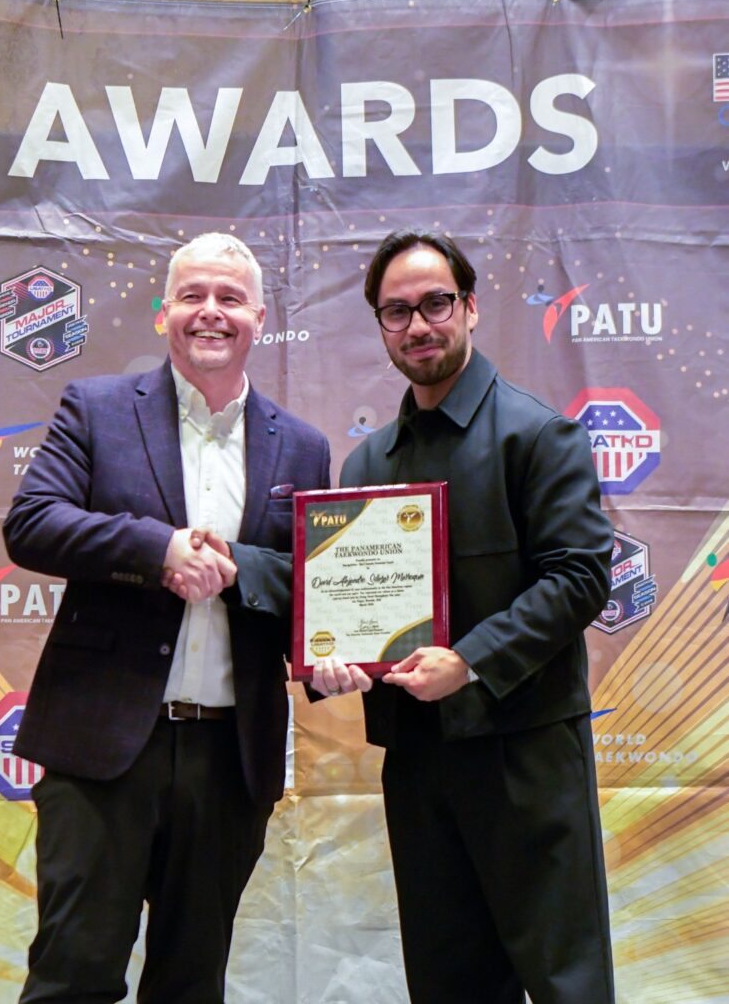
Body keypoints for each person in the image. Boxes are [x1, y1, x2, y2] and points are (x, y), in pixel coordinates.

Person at [4, 232, 330, 1004]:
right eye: (192, 295)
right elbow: (32, 523)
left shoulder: (302, 447)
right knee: (72, 978)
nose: (210, 311)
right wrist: (158, 549)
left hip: (230, 760)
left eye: (229, 298)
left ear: (258, 318)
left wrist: (329, 651)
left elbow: (306, 587)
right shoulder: (96, 408)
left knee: (191, 985)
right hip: (102, 748)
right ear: (164, 313)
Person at [311, 230, 615, 1004]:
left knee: (565, 980)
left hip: (526, 753)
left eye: (435, 304)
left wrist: (471, 659)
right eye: (397, 311)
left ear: (470, 307)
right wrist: (339, 658)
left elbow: (579, 576)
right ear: (381, 326)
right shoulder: (367, 464)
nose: (418, 325)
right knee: (446, 983)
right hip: (418, 759)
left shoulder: (536, 434)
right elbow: (355, 608)